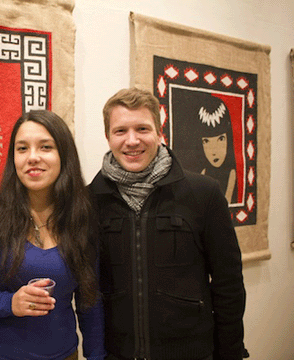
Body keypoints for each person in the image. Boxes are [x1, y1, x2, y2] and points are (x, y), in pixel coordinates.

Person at [88, 87, 246, 360]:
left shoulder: (204, 193)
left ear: (159, 132)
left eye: (142, 129)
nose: (132, 140)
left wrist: (229, 352)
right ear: (108, 136)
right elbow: (89, 290)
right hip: (118, 354)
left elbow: (228, 285)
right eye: (121, 131)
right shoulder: (90, 200)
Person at [0, 110, 106, 360]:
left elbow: (90, 299)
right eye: (22, 149)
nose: (32, 157)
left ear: (64, 156)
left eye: (45, 147)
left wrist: (96, 355)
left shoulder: (81, 217)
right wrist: (9, 303)